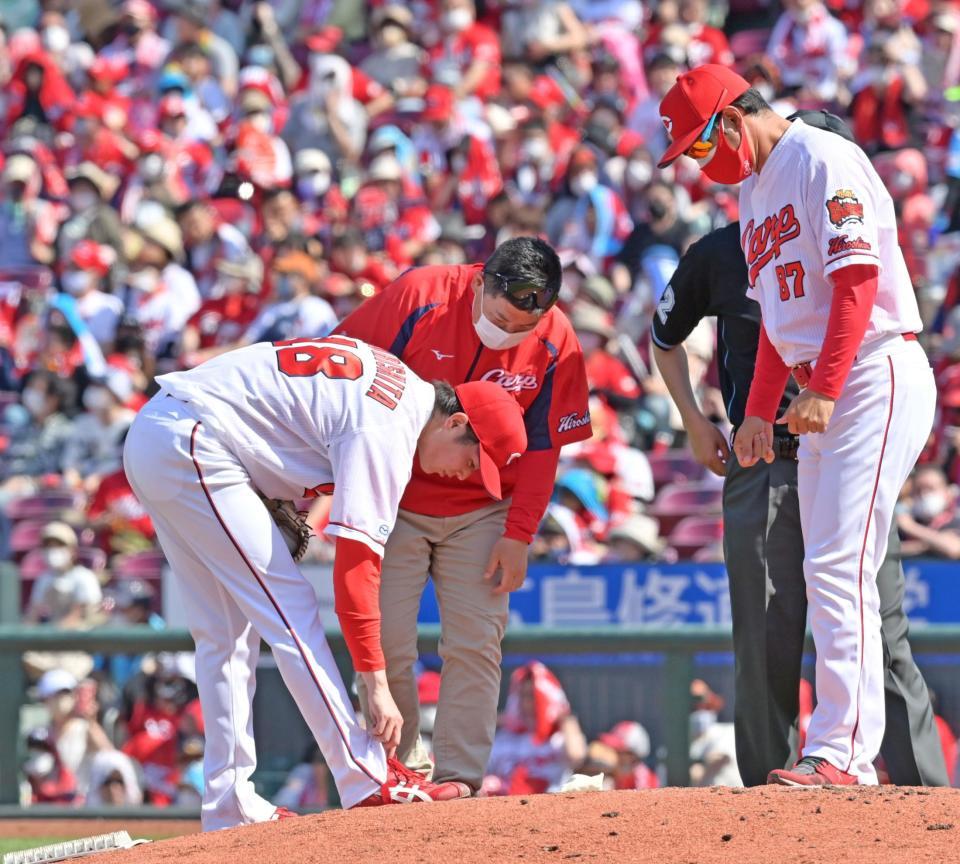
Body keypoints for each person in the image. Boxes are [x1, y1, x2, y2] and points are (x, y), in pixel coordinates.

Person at [657, 65, 937, 786]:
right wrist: (756, 414)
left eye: (697, 144)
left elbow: (856, 282)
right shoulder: (756, 192)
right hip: (823, 381)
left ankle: (842, 755)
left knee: (841, 566)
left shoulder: (822, 157)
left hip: (872, 369)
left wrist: (827, 389)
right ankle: (844, 755)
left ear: (731, 117)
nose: (698, 162)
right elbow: (781, 327)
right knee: (828, 566)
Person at [123, 335, 527, 828]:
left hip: (165, 435)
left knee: (226, 636)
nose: (465, 475)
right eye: (471, 461)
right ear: (457, 422)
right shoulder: (390, 426)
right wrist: (375, 684)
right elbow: (355, 568)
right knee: (290, 612)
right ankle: (365, 778)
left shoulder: (396, 389)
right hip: (197, 441)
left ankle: (228, 802)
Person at [335, 237, 591, 794]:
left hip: (486, 502)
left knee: (476, 642)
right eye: (502, 318)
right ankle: (398, 772)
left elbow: (547, 446)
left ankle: (458, 780)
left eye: (527, 324)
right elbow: (338, 367)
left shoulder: (555, 338)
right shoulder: (419, 295)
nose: (512, 333)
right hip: (395, 495)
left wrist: (520, 532)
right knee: (388, 644)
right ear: (480, 283)